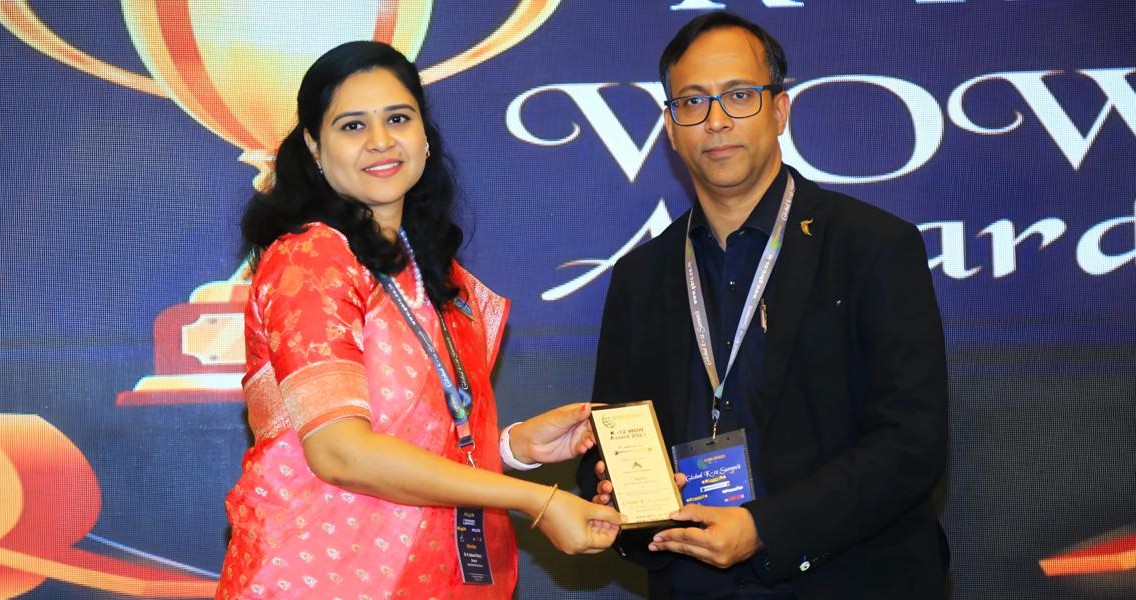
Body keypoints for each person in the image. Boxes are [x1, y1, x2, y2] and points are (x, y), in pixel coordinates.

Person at [216, 41, 623, 599]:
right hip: (321, 577)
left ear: (424, 135)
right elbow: (340, 452)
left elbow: (421, 438)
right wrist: (537, 500)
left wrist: (514, 448)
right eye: (352, 126)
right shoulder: (310, 259)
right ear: (313, 146)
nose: (381, 141)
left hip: (430, 575)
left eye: (398, 119)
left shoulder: (429, 268)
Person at [578, 11, 949, 600]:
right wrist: (614, 486)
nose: (716, 120)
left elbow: (911, 444)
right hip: (692, 584)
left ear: (780, 110)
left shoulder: (873, 247)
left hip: (844, 581)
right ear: (671, 127)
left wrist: (764, 530)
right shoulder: (640, 276)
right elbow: (609, 435)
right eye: (692, 102)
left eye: (739, 96)